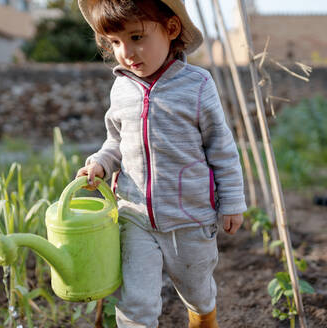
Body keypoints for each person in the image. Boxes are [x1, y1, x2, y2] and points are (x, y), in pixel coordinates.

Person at [75, 1, 246, 327]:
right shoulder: (122, 88)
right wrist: (100, 163)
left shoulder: (198, 85)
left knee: (197, 292)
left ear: (171, 29)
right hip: (135, 216)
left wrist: (232, 202)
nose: (126, 52)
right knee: (136, 302)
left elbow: (221, 149)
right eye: (115, 42)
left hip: (190, 217)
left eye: (137, 37)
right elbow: (115, 142)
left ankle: (203, 317)